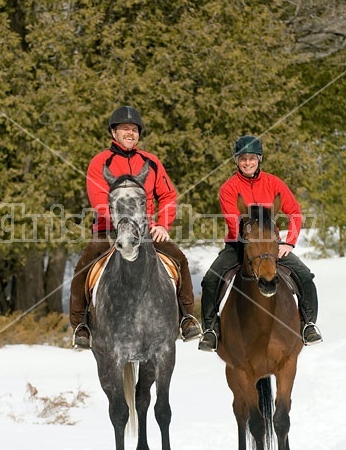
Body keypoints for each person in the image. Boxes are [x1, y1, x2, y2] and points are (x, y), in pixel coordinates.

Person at [70, 105, 201, 349]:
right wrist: (120, 225)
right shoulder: (100, 162)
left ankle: (186, 318)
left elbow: (169, 195)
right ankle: (81, 325)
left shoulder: (151, 162)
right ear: (113, 133)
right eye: (124, 129)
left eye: (134, 129)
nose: (130, 133)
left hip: (146, 229)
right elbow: (99, 200)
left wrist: (162, 224)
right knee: (84, 265)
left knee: (179, 259)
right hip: (108, 229)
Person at [198, 135, 323, 352]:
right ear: (237, 161)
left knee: (304, 275)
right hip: (239, 245)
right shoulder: (229, 188)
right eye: (243, 158)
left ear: (259, 159)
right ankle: (210, 330)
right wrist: (251, 242)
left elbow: (294, 212)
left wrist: (289, 243)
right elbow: (233, 220)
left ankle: (308, 325)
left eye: (252, 158)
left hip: (271, 246)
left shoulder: (274, 183)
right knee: (211, 279)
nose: (247, 163)